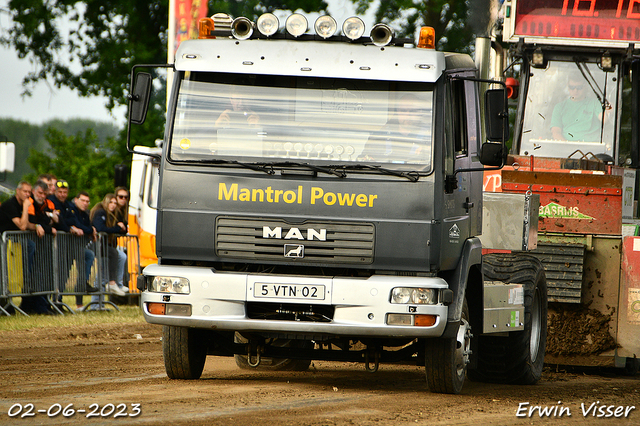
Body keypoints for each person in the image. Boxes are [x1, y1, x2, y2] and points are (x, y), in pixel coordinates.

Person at [48, 180, 98, 308]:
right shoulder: (52, 202)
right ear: (55, 191)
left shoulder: (68, 205)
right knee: (60, 274)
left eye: (65, 192)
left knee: (66, 273)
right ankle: (55, 301)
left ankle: (64, 298)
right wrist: (70, 227)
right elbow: (65, 223)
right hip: (58, 244)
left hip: (70, 246)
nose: (62, 194)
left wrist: (87, 229)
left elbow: (74, 222)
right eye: (60, 192)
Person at [0, 181, 39, 313]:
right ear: (18, 191)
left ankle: (11, 302)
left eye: (29, 192)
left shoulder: (23, 204)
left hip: (13, 244)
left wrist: (38, 226)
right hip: (4, 243)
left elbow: (29, 225)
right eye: (25, 192)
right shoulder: (11, 205)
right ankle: (6, 304)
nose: (27, 195)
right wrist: (27, 207)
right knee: (4, 275)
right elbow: (23, 226)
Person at [359, 94, 430, 161]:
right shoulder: (379, 136)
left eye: (413, 111)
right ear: (397, 112)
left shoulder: (430, 136)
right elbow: (364, 161)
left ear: (420, 113)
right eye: (403, 111)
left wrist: (426, 152)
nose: (408, 115)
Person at [25, 181, 59, 314]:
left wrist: (46, 222)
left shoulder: (46, 204)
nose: (42, 196)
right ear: (34, 192)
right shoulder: (30, 202)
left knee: (43, 274)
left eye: (45, 194)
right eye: (40, 193)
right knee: (33, 275)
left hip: (42, 245)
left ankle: (41, 305)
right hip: (31, 244)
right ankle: (31, 306)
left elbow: (56, 223)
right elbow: (33, 222)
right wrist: (46, 224)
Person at [90, 194, 126, 296]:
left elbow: (121, 228)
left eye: (115, 203)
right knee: (102, 273)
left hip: (104, 247)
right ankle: (112, 283)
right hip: (96, 245)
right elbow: (100, 228)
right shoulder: (100, 212)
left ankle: (116, 283)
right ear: (105, 202)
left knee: (120, 257)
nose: (113, 205)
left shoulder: (112, 214)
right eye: (111, 202)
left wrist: (121, 228)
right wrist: (117, 228)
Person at [550, 76, 606, 141]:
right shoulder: (559, 107)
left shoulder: (595, 103)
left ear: (585, 87)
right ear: (568, 87)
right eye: (572, 87)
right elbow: (556, 132)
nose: (575, 90)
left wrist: (609, 111)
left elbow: (604, 118)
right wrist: (569, 147)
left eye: (579, 87)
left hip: (592, 148)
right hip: (566, 147)